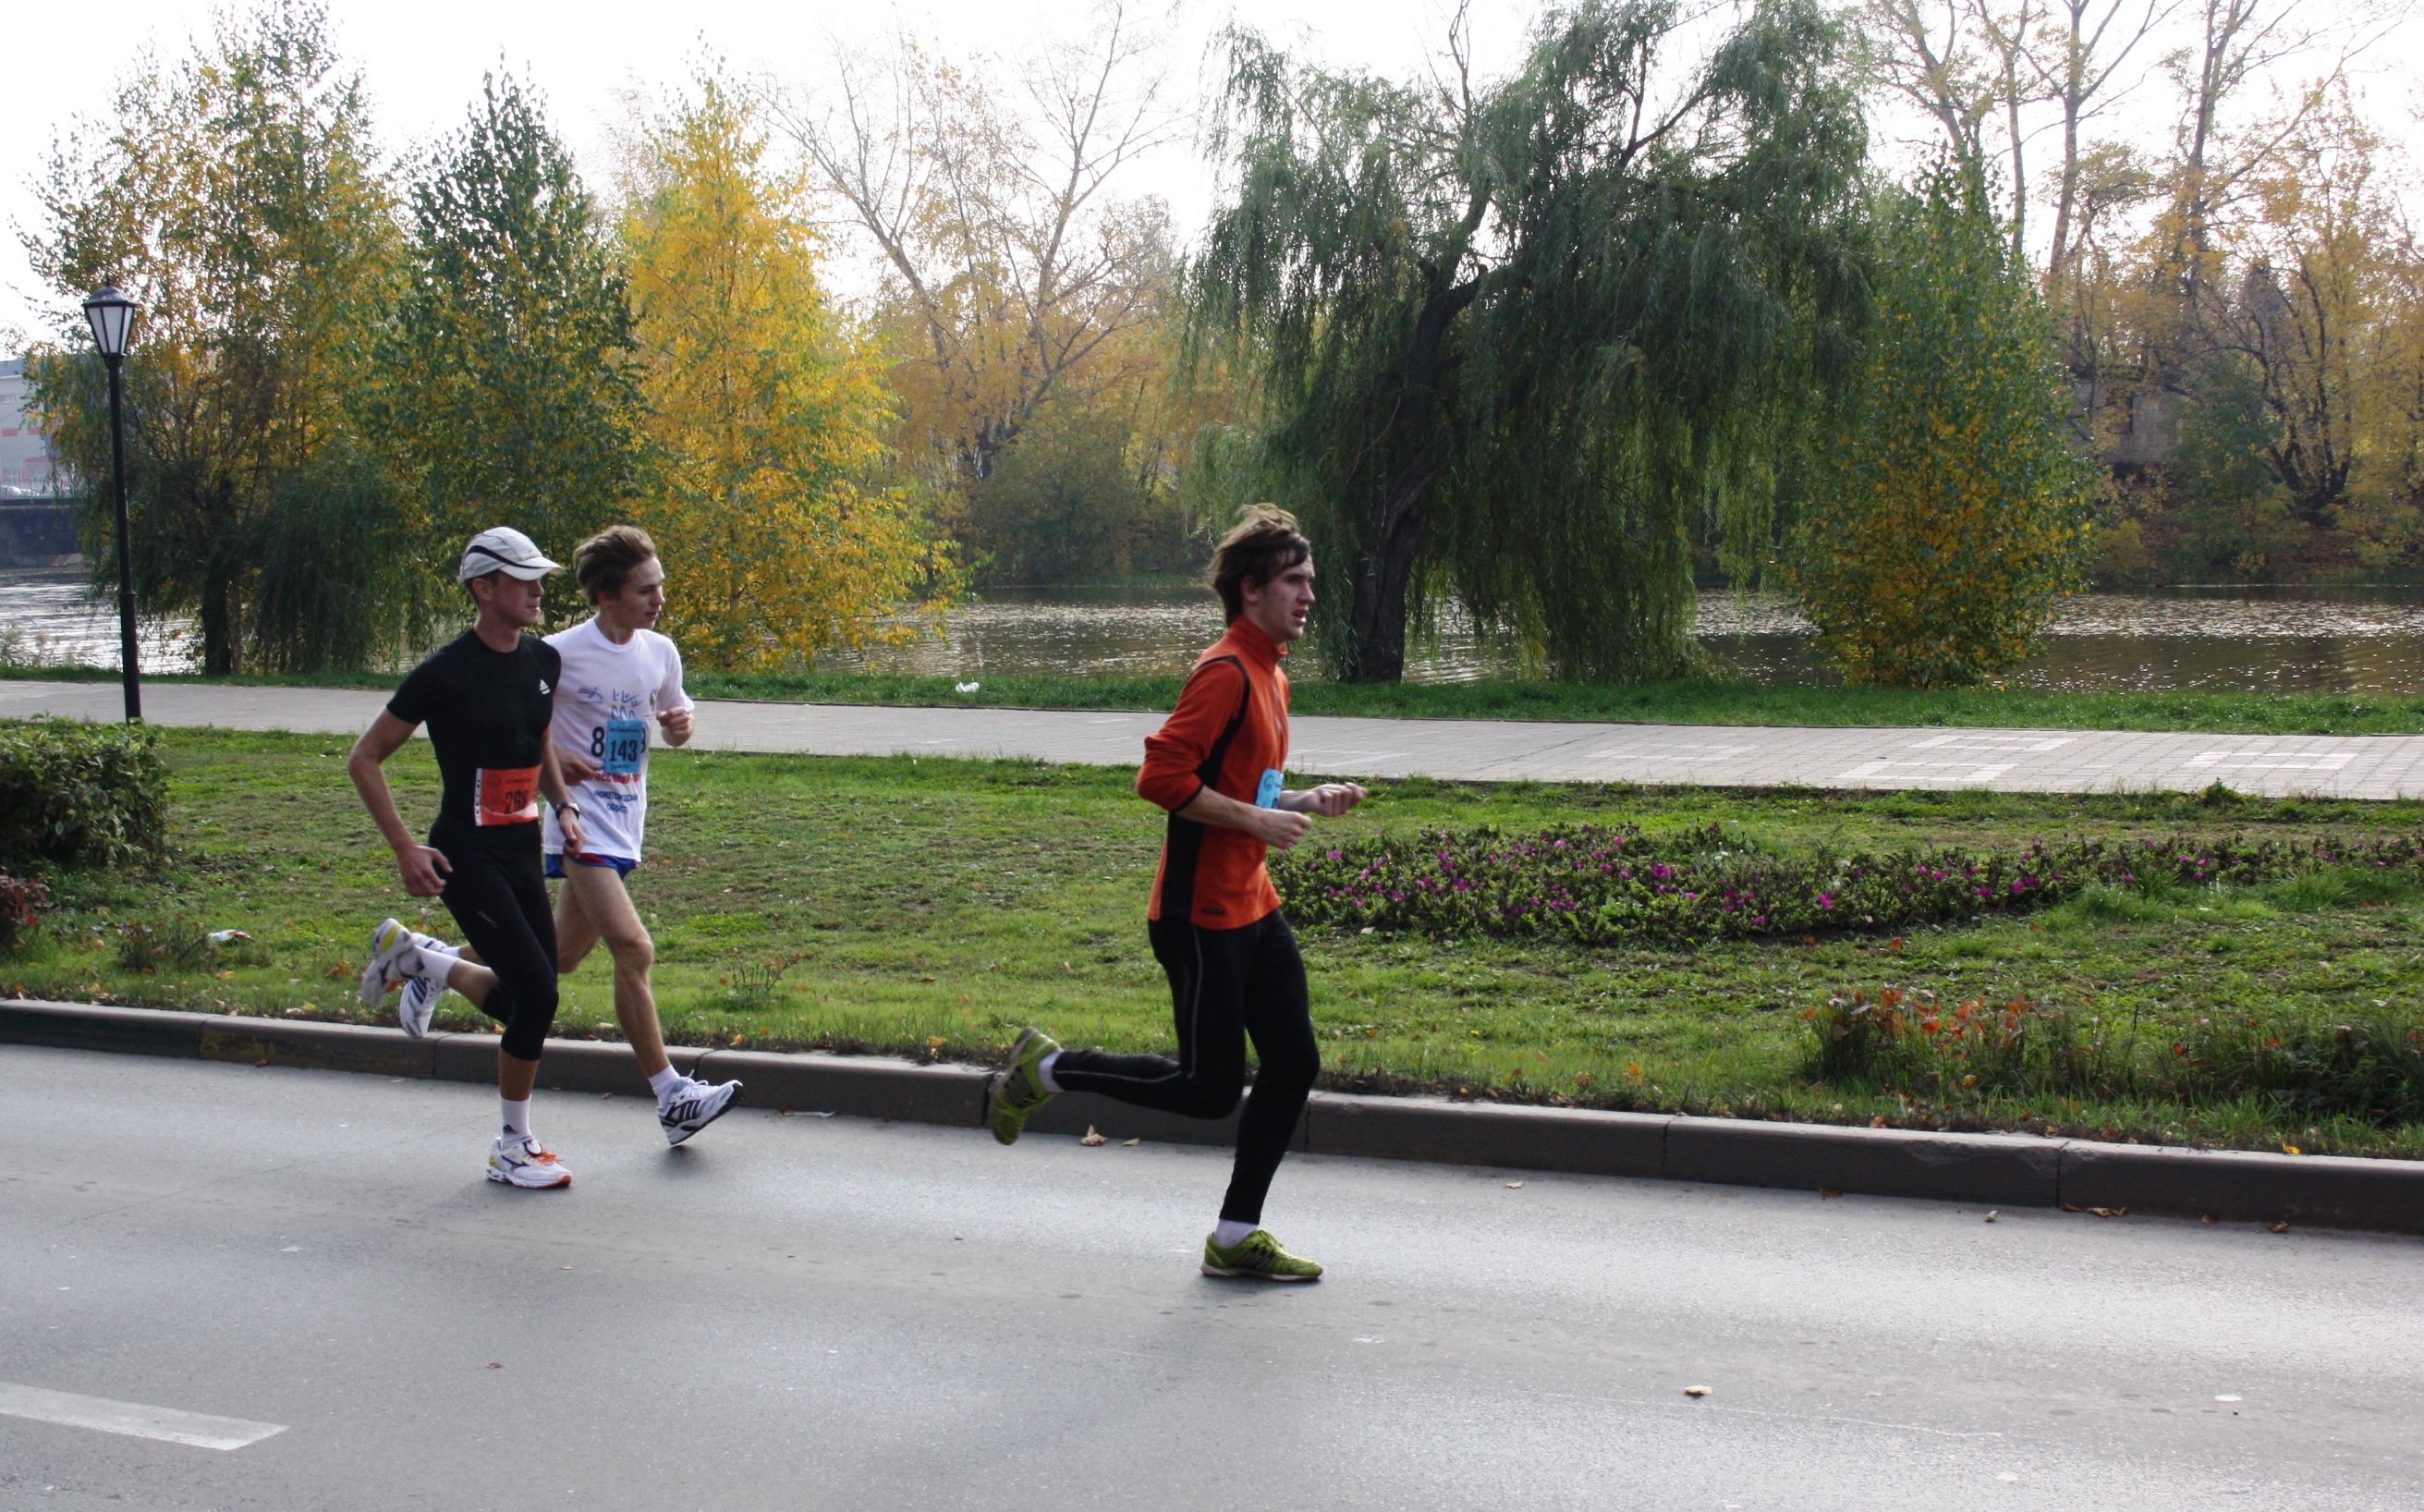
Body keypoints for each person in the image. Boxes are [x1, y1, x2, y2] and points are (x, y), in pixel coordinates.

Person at [987, 506, 1366, 1281]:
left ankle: (1234, 1236)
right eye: (1294, 581)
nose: (1308, 596)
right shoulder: (1224, 672)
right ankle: (1048, 1070)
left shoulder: (1271, 673)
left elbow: (1242, 787)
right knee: (1208, 1090)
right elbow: (1160, 778)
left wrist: (1299, 801)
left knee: (1293, 1062)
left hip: (1254, 904)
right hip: (1200, 915)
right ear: (1252, 589)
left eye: (1310, 582)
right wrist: (1258, 819)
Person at [401, 526, 742, 1146]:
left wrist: (680, 724)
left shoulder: (661, 651)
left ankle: (431, 961)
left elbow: (675, 720)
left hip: (626, 820)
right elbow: (519, 727)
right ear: (606, 596)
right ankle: (672, 1096)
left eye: (660, 586)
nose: (659, 600)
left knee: (554, 959)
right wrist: (556, 767)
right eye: (645, 590)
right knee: (633, 949)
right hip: (578, 825)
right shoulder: (558, 653)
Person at [349, 527, 585, 1189]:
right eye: (524, 581)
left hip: (521, 845)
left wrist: (563, 804)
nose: (538, 592)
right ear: (484, 589)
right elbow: (364, 758)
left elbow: (537, 740)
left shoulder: (543, 661)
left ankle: (424, 960)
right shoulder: (444, 674)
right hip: (464, 853)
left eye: (540, 580)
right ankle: (513, 1146)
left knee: (526, 997)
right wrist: (405, 847)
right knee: (538, 994)